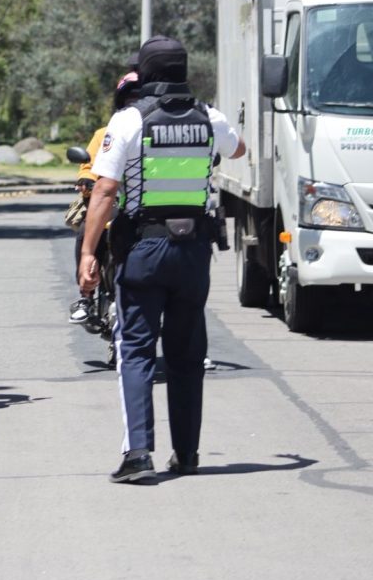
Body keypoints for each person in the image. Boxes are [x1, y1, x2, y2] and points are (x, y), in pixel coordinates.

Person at [79, 36, 245, 483]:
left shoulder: (130, 119)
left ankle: (138, 454)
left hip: (143, 250)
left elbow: (105, 189)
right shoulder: (209, 117)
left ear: (146, 72)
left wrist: (89, 251)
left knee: (136, 351)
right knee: (187, 355)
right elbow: (239, 150)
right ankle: (187, 454)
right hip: (193, 253)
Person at [68, 68, 141, 325]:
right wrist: (86, 179)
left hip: (139, 208)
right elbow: (87, 165)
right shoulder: (104, 133)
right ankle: (86, 295)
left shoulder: (151, 131)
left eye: (139, 98)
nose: (134, 103)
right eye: (129, 98)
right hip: (109, 204)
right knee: (85, 234)